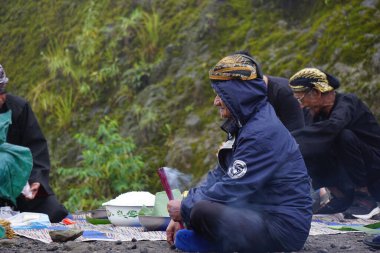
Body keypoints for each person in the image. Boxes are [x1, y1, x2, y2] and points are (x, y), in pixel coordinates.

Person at [166, 54, 312, 252]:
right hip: (260, 212)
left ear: (238, 94)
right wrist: (185, 206)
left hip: (282, 228)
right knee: (196, 212)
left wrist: (185, 209)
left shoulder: (261, 132)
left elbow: (232, 188)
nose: (216, 102)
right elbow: (220, 174)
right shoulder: (246, 123)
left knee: (202, 210)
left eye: (221, 94)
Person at [289, 67, 380, 219]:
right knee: (310, 145)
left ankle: (364, 195)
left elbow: (333, 126)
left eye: (301, 98)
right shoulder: (312, 112)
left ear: (317, 93)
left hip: (373, 165)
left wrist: (290, 139)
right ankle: (338, 195)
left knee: (342, 136)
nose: (301, 105)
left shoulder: (348, 102)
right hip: (346, 172)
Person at [0, 64, 68, 223]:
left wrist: (36, 180)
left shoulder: (19, 108)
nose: (2, 97)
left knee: (54, 213)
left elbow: (36, 147)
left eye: (2, 91)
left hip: (19, 188)